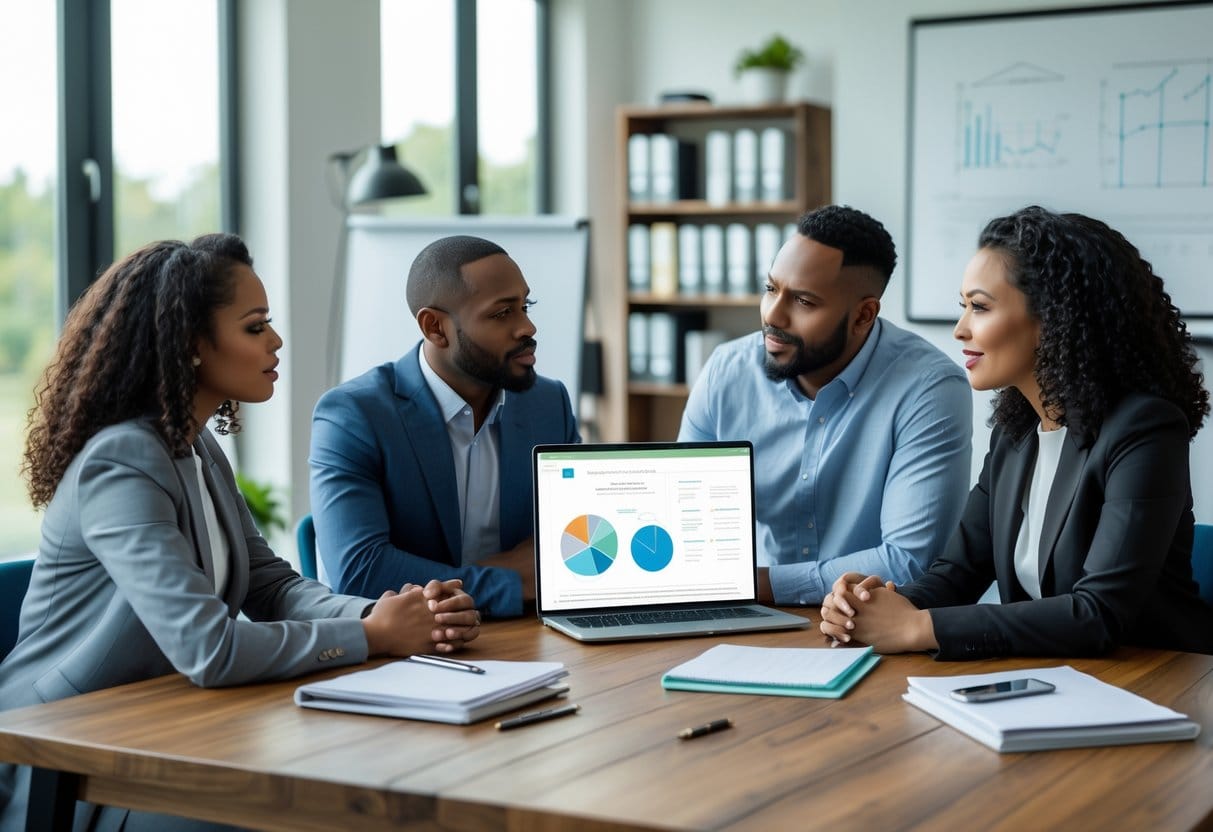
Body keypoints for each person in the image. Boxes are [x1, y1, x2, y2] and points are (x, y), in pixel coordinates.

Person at [0, 234, 481, 832]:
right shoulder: (120, 461)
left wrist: (392, 614)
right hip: (69, 760)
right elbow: (210, 649)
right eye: (255, 327)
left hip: (166, 725)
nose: (276, 341)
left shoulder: (195, 443)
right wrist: (373, 637)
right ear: (191, 345)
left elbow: (271, 584)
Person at [820, 206, 1213, 658]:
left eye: (980, 307)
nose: (960, 328)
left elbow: (1099, 614)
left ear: (1055, 318)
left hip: (1154, 682)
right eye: (963, 306)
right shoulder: (1016, 433)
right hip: (1053, 681)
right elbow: (956, 573)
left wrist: (917, 627)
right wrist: (869, 607)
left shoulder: (1144, 429)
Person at [678, 205, 973, 606]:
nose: (772, 315)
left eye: (803, 301)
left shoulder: (929, 388)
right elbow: (685, 522)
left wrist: (755, 585)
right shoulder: (726, 372)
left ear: (863, 315)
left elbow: (908, 562)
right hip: (748, 616)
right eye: (771, 289)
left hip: (872, 625)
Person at [309, 235, 580, 620]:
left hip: (529, 637)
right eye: (502, 314)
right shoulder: (353, 416)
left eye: (525, 306)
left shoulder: (548, 404)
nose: (527, 327)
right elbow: (362, 573)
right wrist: (510, 580)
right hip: (406, 654)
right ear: (435, 327)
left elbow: (575, 544)